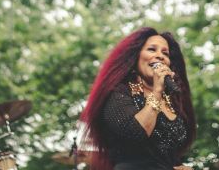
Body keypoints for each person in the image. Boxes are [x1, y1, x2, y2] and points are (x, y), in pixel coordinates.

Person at [79, 27, 196, 170]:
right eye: (152, 49)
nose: (160, 56)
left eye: (165, 53)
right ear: (135, 56)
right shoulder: (118, 93)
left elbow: (165, 152)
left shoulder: (172, 100)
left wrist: (177, 166)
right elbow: (135, 133)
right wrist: (157, 90)